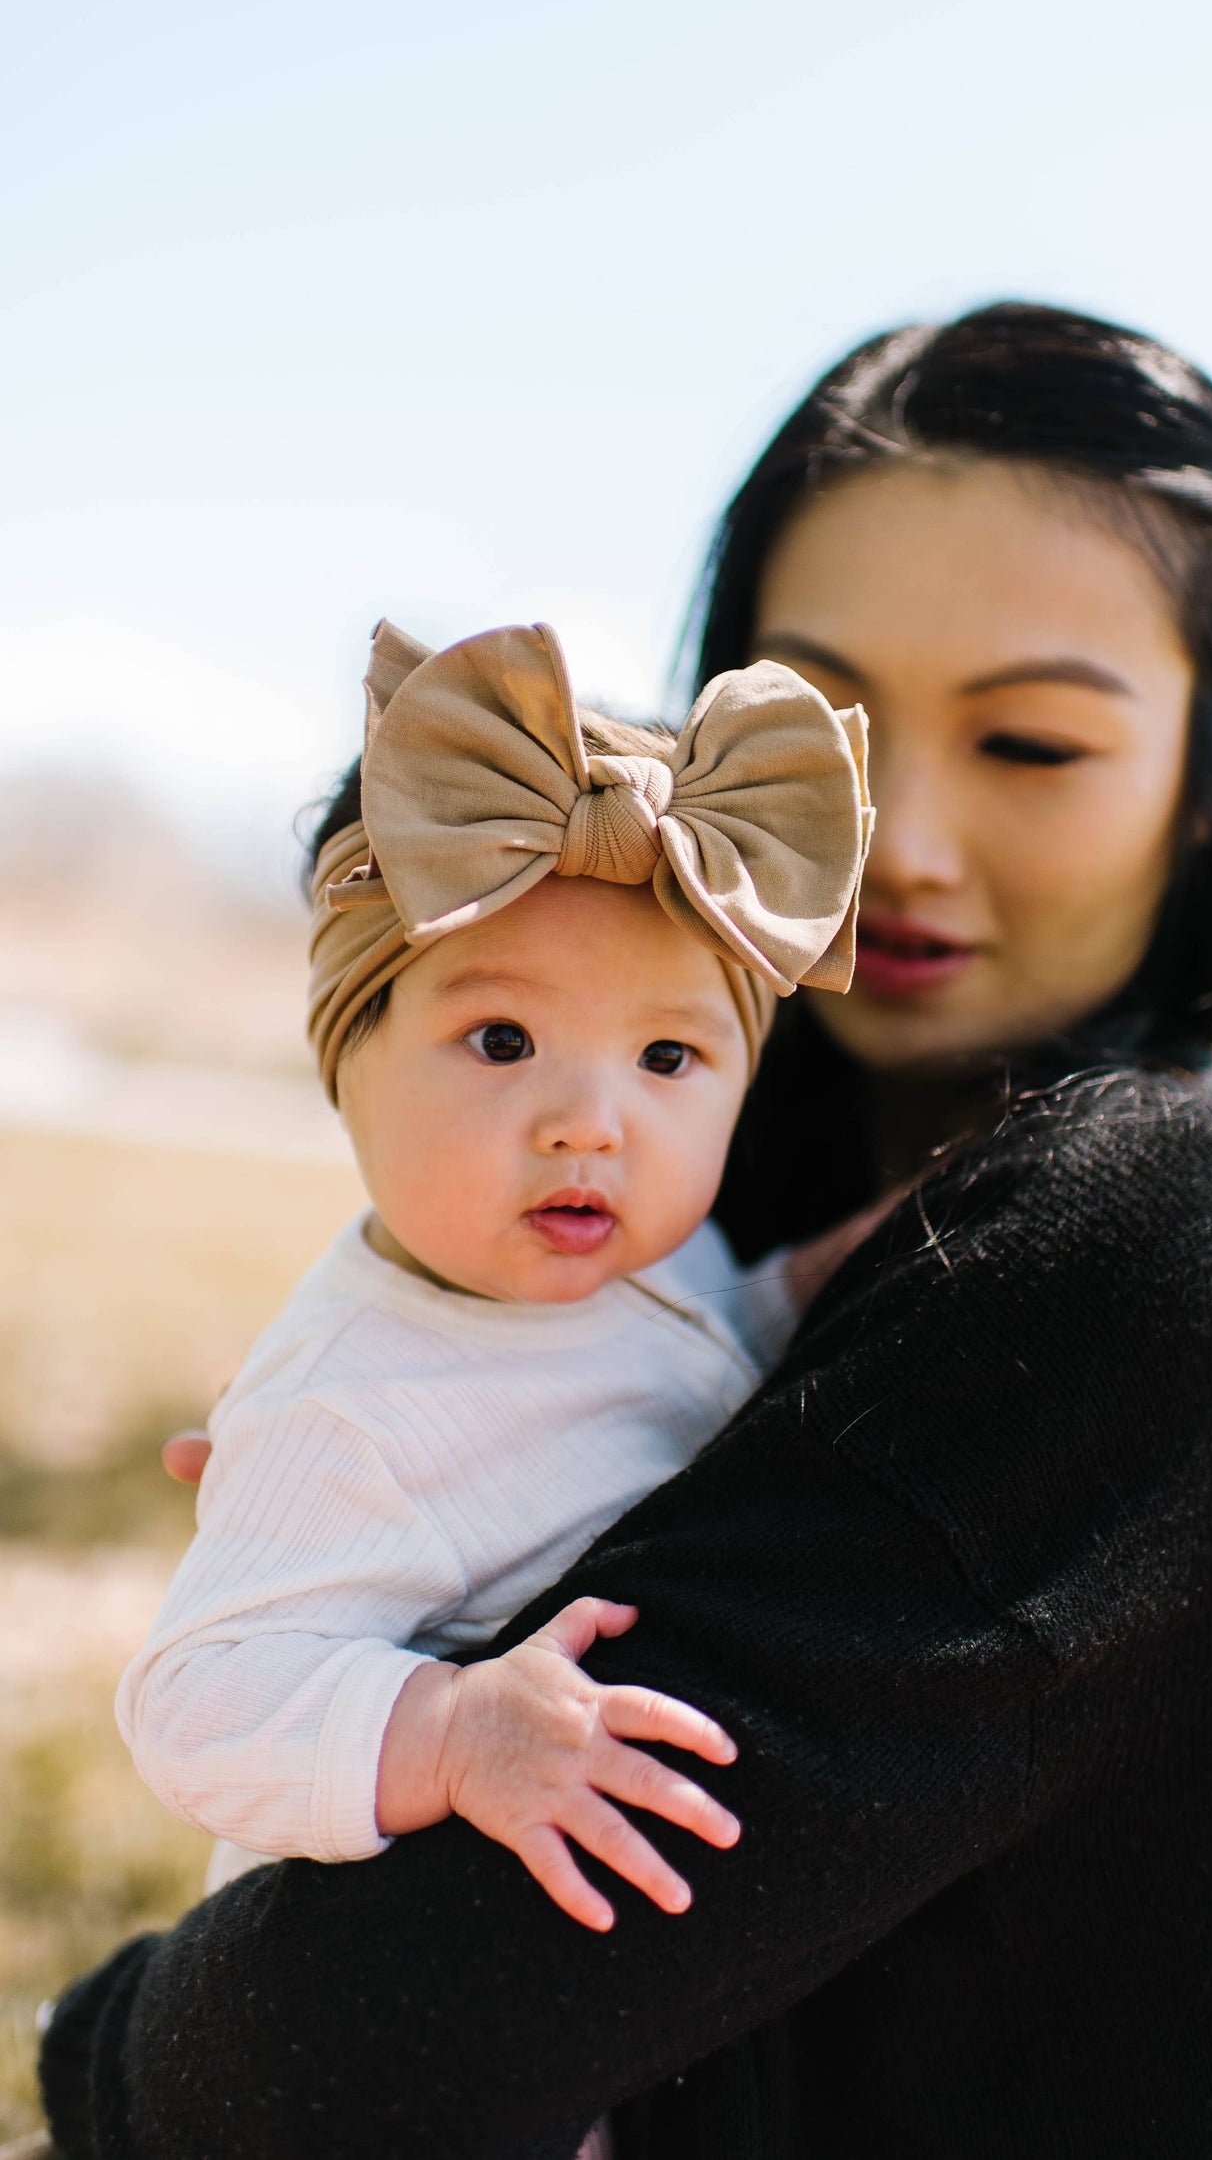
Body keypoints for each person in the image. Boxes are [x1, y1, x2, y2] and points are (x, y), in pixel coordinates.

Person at [34, 303, 1212, 2160]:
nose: (905, 841)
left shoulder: (1166, 1237)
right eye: (826, 741)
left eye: (1027, 742)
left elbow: (352, 2049)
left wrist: (94, 2047)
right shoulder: (693, 1203)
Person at [117, 618, 869, 1945]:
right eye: (503, 1037)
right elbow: (198, 1704)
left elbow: (688, 1363)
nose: (591, 1119)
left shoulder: (633, 1266)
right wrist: (450, 1728)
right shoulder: (349, 1409)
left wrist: (837, 1270)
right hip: (380, 1991)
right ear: (348, 1052)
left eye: (666, 1056)